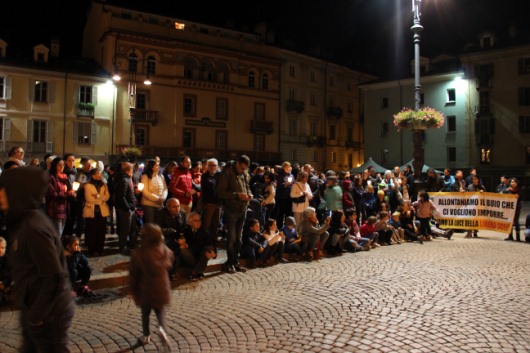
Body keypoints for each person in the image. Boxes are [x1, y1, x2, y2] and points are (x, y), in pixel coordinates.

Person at [0, 166, 75, 352]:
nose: (0, 195)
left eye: (4, 189)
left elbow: (54, 277)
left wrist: (36, 316)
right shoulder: (23, 222)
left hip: (48, 314)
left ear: (17, 192)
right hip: (35, 307)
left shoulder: (33, 227)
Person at [129, 223, 173, 349]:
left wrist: (133, 291)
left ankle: (146, 335)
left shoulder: (140, 253)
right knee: (160, 312)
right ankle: (162, 330)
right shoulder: (164, 250)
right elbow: (170, 261)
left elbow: (134, 275)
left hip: (146, 290)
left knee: (145, 314)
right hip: (162, 289)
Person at [216, 155, 252, 274]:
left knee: (239, 239)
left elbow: (247, 187)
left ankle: (235, 261)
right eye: (242, 168)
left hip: (243, 209)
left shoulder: (245, 173)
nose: (243, 171)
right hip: (231, 209)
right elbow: (220, 193)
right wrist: (237, 195)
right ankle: (230, 263)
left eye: (245, 169)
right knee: (231, 238)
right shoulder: (226, 173)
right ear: (237, 164)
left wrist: (249, 194)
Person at [181, 212, 216, 281]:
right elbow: (181, 240)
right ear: (189, 222)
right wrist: (184, 244)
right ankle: (199, 271)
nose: (199, 222)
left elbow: (210, 243)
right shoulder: (184, 230)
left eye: (199, 220)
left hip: (201, 254)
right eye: (196, 220)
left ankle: (194, 273)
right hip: (191, 255)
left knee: (208, 248)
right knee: (182, 250)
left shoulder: (203, 230)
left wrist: (214, 254)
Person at [83, 168, 110, 256]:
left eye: (101, 173)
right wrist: (101, 200)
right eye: (99, 173)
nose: (100, 175)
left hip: (102, 211)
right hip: (91, 211)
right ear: (93, 175)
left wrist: (98, 196)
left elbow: (107, 197)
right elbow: (89, 198)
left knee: (101, 232)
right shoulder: (88, 185)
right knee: (92, 231)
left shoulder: (104, 185)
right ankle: (92, 250)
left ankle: (100, 249)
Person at [47, 157, 75, 236]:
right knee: (57, 233)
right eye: (59, 165)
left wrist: (72, 193)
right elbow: (52, 193)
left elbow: (68, 190)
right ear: (54, 166)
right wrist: (67, 194)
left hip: (64, 208)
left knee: (61, 232)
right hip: (55, 208)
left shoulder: (64, 177)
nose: (62, 167)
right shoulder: (51, 177)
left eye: (63, 165)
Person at [114, 162, 138, 255]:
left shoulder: (127, 179)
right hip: (125, 210)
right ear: (129, 171)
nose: (133, 171)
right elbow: (121, 196)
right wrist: (128, 208)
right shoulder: (124, 180)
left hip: (129, 208)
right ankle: (123, 247)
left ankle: (131, 245)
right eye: (132, 170)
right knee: (125, 229)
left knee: (132, 228)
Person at [200, 158, 222, 249]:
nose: (213, 167)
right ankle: (206, 244)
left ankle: (214, 245)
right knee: (207, 225)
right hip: (209, 204)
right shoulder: (204, 176)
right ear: (207, 166)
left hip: (218, 204)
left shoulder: (219, 176)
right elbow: (209, 188)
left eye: (214, 165)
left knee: (215, 226)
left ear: (217, 167)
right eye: (211, 165)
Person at [140, 159, 168, 224]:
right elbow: (145, 191)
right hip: (149, 204)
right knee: (150, 223)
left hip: (160, 204)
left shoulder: (161, 176)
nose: (158, 167)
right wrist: (156, 199)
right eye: (156, 165)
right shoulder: (145, 176)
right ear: (151, 166)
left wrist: (162, 198)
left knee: (159, 223)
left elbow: (165, 189)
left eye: (158, 165)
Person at [275, 161, 295, 228]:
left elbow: (293, 184)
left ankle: (287, 227)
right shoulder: (280, 175)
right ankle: (279, 227)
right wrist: (285, 184)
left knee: (288, 213)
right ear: (283, 167)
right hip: (281, 197)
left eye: (288, 167)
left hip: (289, 197)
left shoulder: (291, 175)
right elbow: (278, 187)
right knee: (281, 213)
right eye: (286, 167)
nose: (288, 168)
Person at [0, 236, 12, 305]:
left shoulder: (8, 260)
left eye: (2, 248)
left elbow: (11, 275)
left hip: (5, 285)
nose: (0, 250)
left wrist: (4, 284)